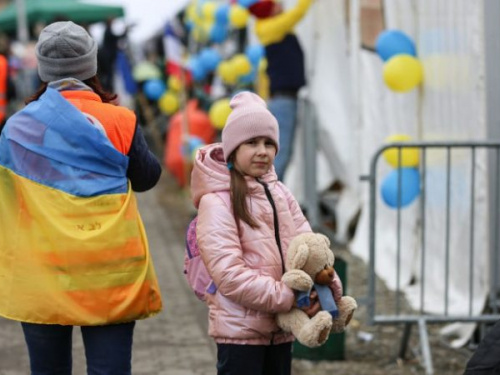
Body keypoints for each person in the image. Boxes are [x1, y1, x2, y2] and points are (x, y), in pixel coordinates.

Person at [0, 21, 162, 375]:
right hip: (110, 271)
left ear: (43, 69)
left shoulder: (15, 129)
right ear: (91, 66)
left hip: (42, 271)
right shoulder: (121, 120)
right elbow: (148, 178)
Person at [190, 91, 342, 375]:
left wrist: (325, 286)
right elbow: (228, 274)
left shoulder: (280, 192)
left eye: (269, 143)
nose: (262, 151)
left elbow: (311, 248)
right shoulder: (217, 201)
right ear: (233, 149)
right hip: (241, 332)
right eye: (252, 142)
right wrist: (286, 296)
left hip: (281, 329)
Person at [250, 0, 313, 181]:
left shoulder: (269, 27)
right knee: (281, 151)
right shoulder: (272, 28)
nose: (281, 5)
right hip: (284, 100)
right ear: (270, 12)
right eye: (275, 5)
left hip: (283, 99)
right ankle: (269, 195)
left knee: (282, 150)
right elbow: (297, 14)